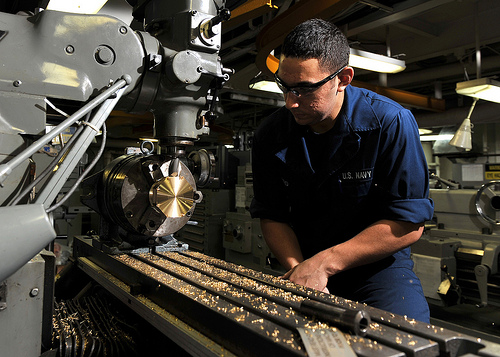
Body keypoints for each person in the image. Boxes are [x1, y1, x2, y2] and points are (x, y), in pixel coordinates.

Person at [249, 18, 434, 323]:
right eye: (285, 86)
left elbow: (408, 223)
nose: (291, 103)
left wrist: (326, 264)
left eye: (306, 90)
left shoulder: (389, 123)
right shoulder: (270, 134)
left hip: (377, 270)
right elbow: (273, 214)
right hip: (303, 259)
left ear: (343, 78)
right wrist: (302, 270)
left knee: (405, 339)